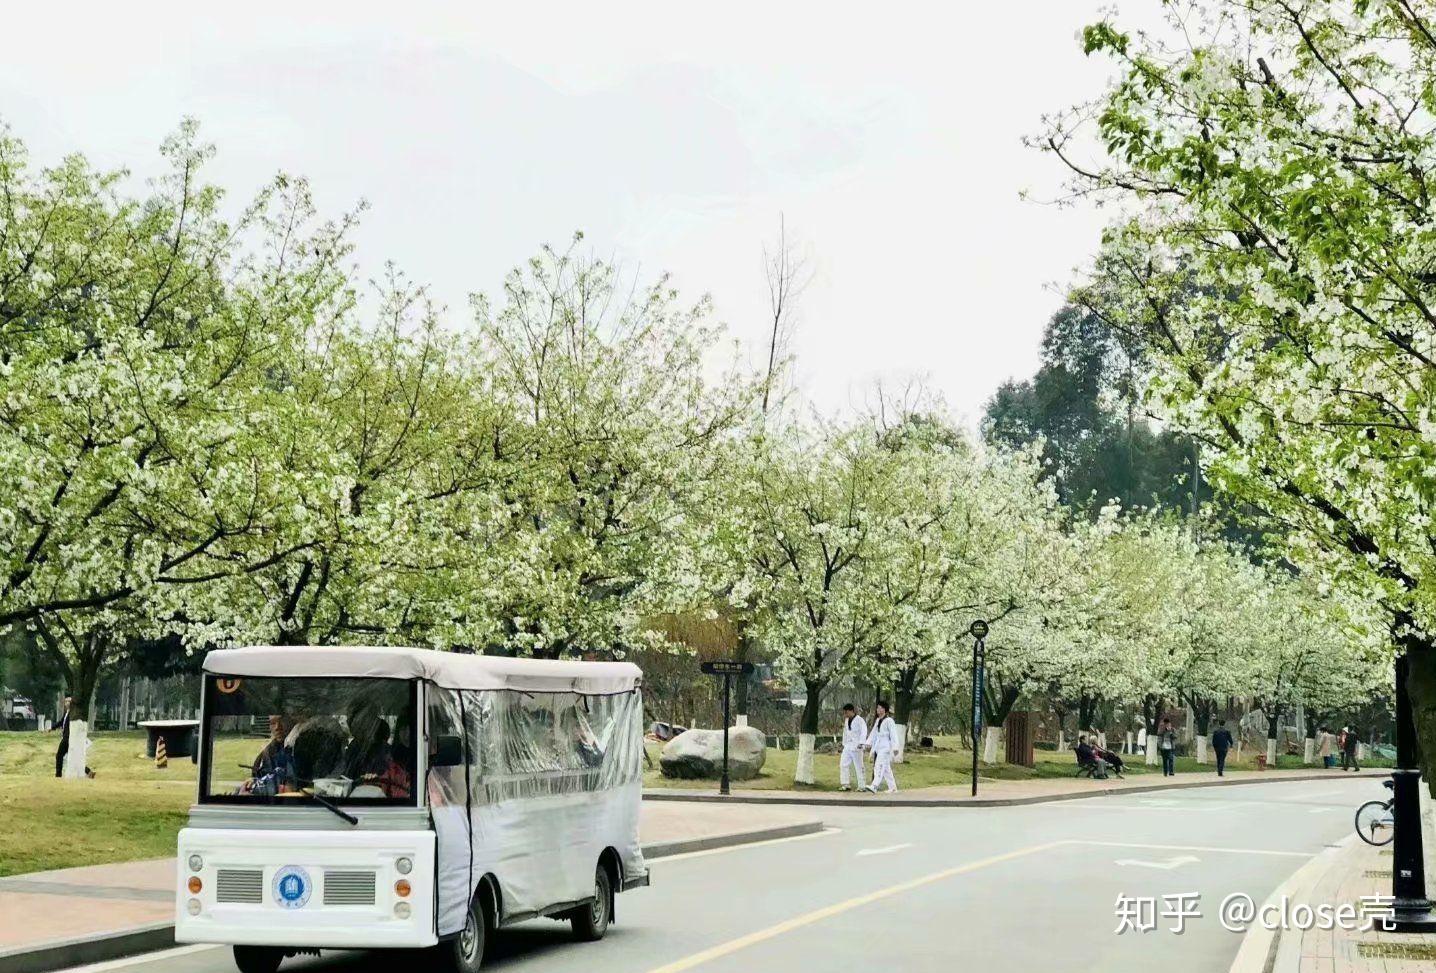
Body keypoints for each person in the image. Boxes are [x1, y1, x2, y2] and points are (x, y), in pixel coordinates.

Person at [53, 695, 94, 779]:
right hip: (67, 737)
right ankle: (88, 771)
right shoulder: (66, 713)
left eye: (68, 701)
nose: (66, 703)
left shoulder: (73, 713)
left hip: (68, 738)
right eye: (65, 701)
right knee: (75, 757)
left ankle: (58, 775)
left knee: (59, 755)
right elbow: (61, 722)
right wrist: (52, 728)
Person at [862, 700, 898, 793]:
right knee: (886, 769)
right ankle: (893, 788)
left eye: (879, 708)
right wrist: (867, 743)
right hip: (878, 746)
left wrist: (895, 747)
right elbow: (874, 733)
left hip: (885, 747)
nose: (877, 709)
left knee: (878, 765)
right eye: (877, 708)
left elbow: (893, 734)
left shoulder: (889, 721)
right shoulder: (878, 720)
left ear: (884, 709)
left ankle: (874, 785)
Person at [838, 703, 868, 792]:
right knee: (843, 764)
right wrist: (844, 743)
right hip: (848, 746)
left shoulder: (860, 720)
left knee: (859, 766)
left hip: (857, 746)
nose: (845, 714)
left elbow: (864, 731)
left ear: (851, 711)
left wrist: (862, 743)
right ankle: (845, 784)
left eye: (846, 712)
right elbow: (845, 732)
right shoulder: (847, 720)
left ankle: (862, 786)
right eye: (844, 713)